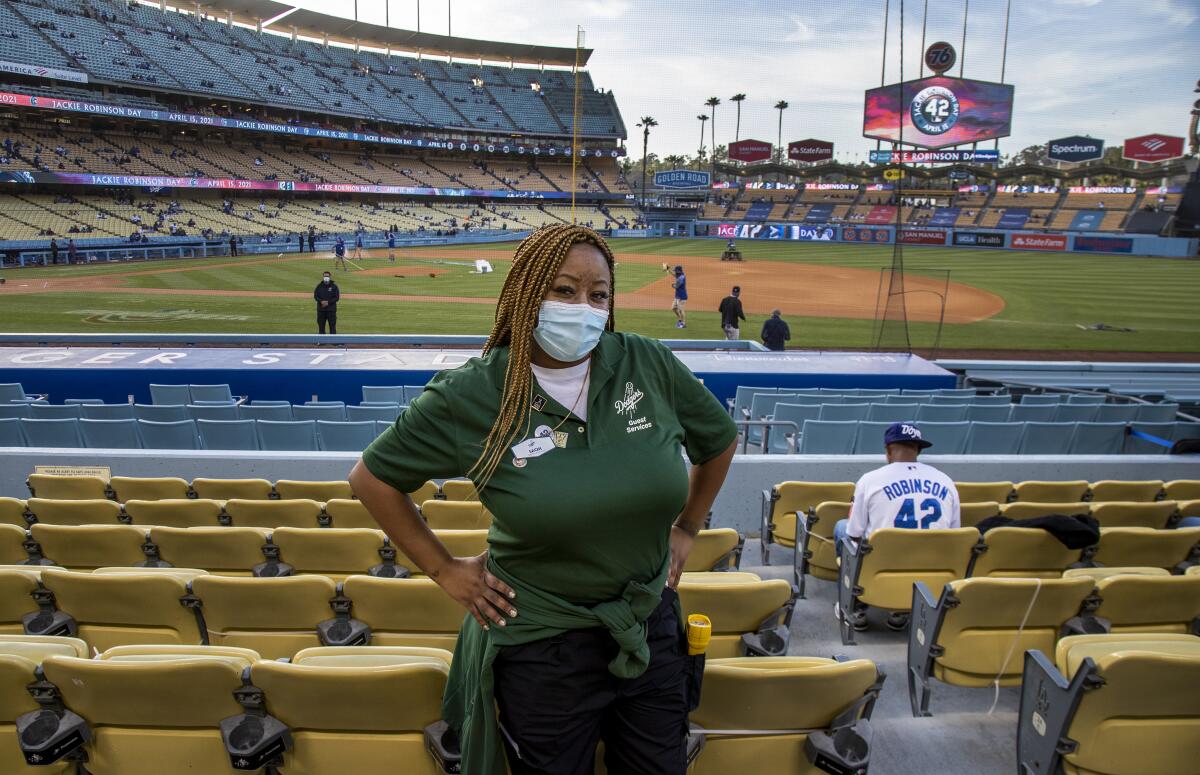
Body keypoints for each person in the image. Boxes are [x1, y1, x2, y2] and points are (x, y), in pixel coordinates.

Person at [348, 224, 737, 775]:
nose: (584, 307)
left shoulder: (646, 364)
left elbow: (718, 439)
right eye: (564, 290)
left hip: (649, 627)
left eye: (598, 295)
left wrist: (689, 527)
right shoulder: (476, 392)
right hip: (541, 643)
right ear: (528, 293)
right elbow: (372, 477)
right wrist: (442, 569)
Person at [833, 423, 961, 632]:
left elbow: (854, 533)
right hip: (931, 567)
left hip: (882, 566)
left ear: (888, 450)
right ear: (918, 450)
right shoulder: (945, 481)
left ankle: (855, 606)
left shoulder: (870, 480)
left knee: (842, 528)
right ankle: (901, 611)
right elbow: (955, 536)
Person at [671, 264, 687, 329]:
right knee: (673, 308)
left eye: (675, 271)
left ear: (678, 271)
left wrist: (673, 285)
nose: (675, 272)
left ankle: (683, 323)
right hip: (677, 296)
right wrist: (668, 269)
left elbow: (676, 286)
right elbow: (674, 275)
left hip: (682, 296)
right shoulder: (680, 274)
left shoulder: (681, 278)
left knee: (681, 309)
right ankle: (680, 319)